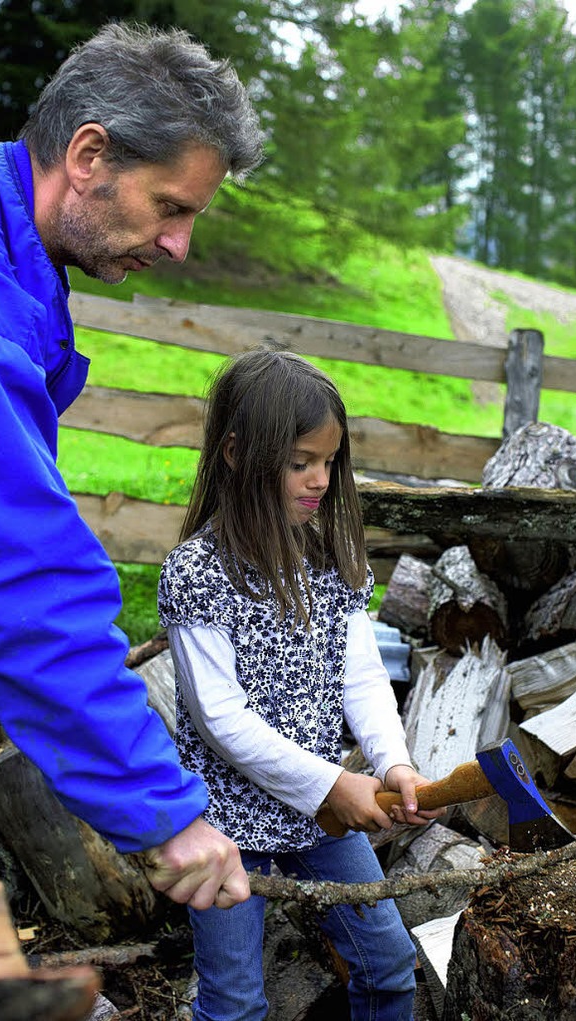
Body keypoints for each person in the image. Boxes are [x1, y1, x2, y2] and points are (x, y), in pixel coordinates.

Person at [0, 21, 264, 910]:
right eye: (172, 207)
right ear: (89, 154)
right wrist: (167, 814)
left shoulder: (12, 249)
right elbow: (22, 578)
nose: (179, 245)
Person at [157, 349, 445, 1021]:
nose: (319, 478)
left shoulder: (326, 556)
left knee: (389, 969)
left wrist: (391, 760)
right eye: (299, 462)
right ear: (236, 453)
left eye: (329, 461)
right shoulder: (199, 572)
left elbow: (362, 673)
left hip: (322, 816)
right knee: (234, 1003)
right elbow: (221, 720)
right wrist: (331, 784)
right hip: (223, 825)